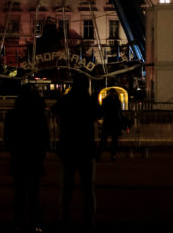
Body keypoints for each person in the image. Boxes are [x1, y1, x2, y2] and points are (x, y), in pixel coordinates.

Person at [52, 75, 101, 231]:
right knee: (88, 189)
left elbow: (55, 110)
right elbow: (99, 114)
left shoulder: (66, 100)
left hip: (68, 147)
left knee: (66, 188)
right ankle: (90, 220)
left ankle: (63, 218)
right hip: (86, 148)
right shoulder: (89, 101)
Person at [4, 84, 49, 233]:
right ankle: (35, 222)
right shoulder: (39, 114)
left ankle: (18, 221)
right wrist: (42, 151)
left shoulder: (14, 114)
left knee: (20, 192)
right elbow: (45, 135)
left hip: (19, 154)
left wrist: (13, 150)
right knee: (34, 192)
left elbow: (8, 137)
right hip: (35, 155)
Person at [97, 89, 124, 161]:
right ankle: (113, 155)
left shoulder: (105, 100)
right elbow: (119, 112)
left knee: (104, 140)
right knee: (113, 140)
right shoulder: (117, 101)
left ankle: (99, 155)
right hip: (114, 122)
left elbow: (102, 111)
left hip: (108, 122)